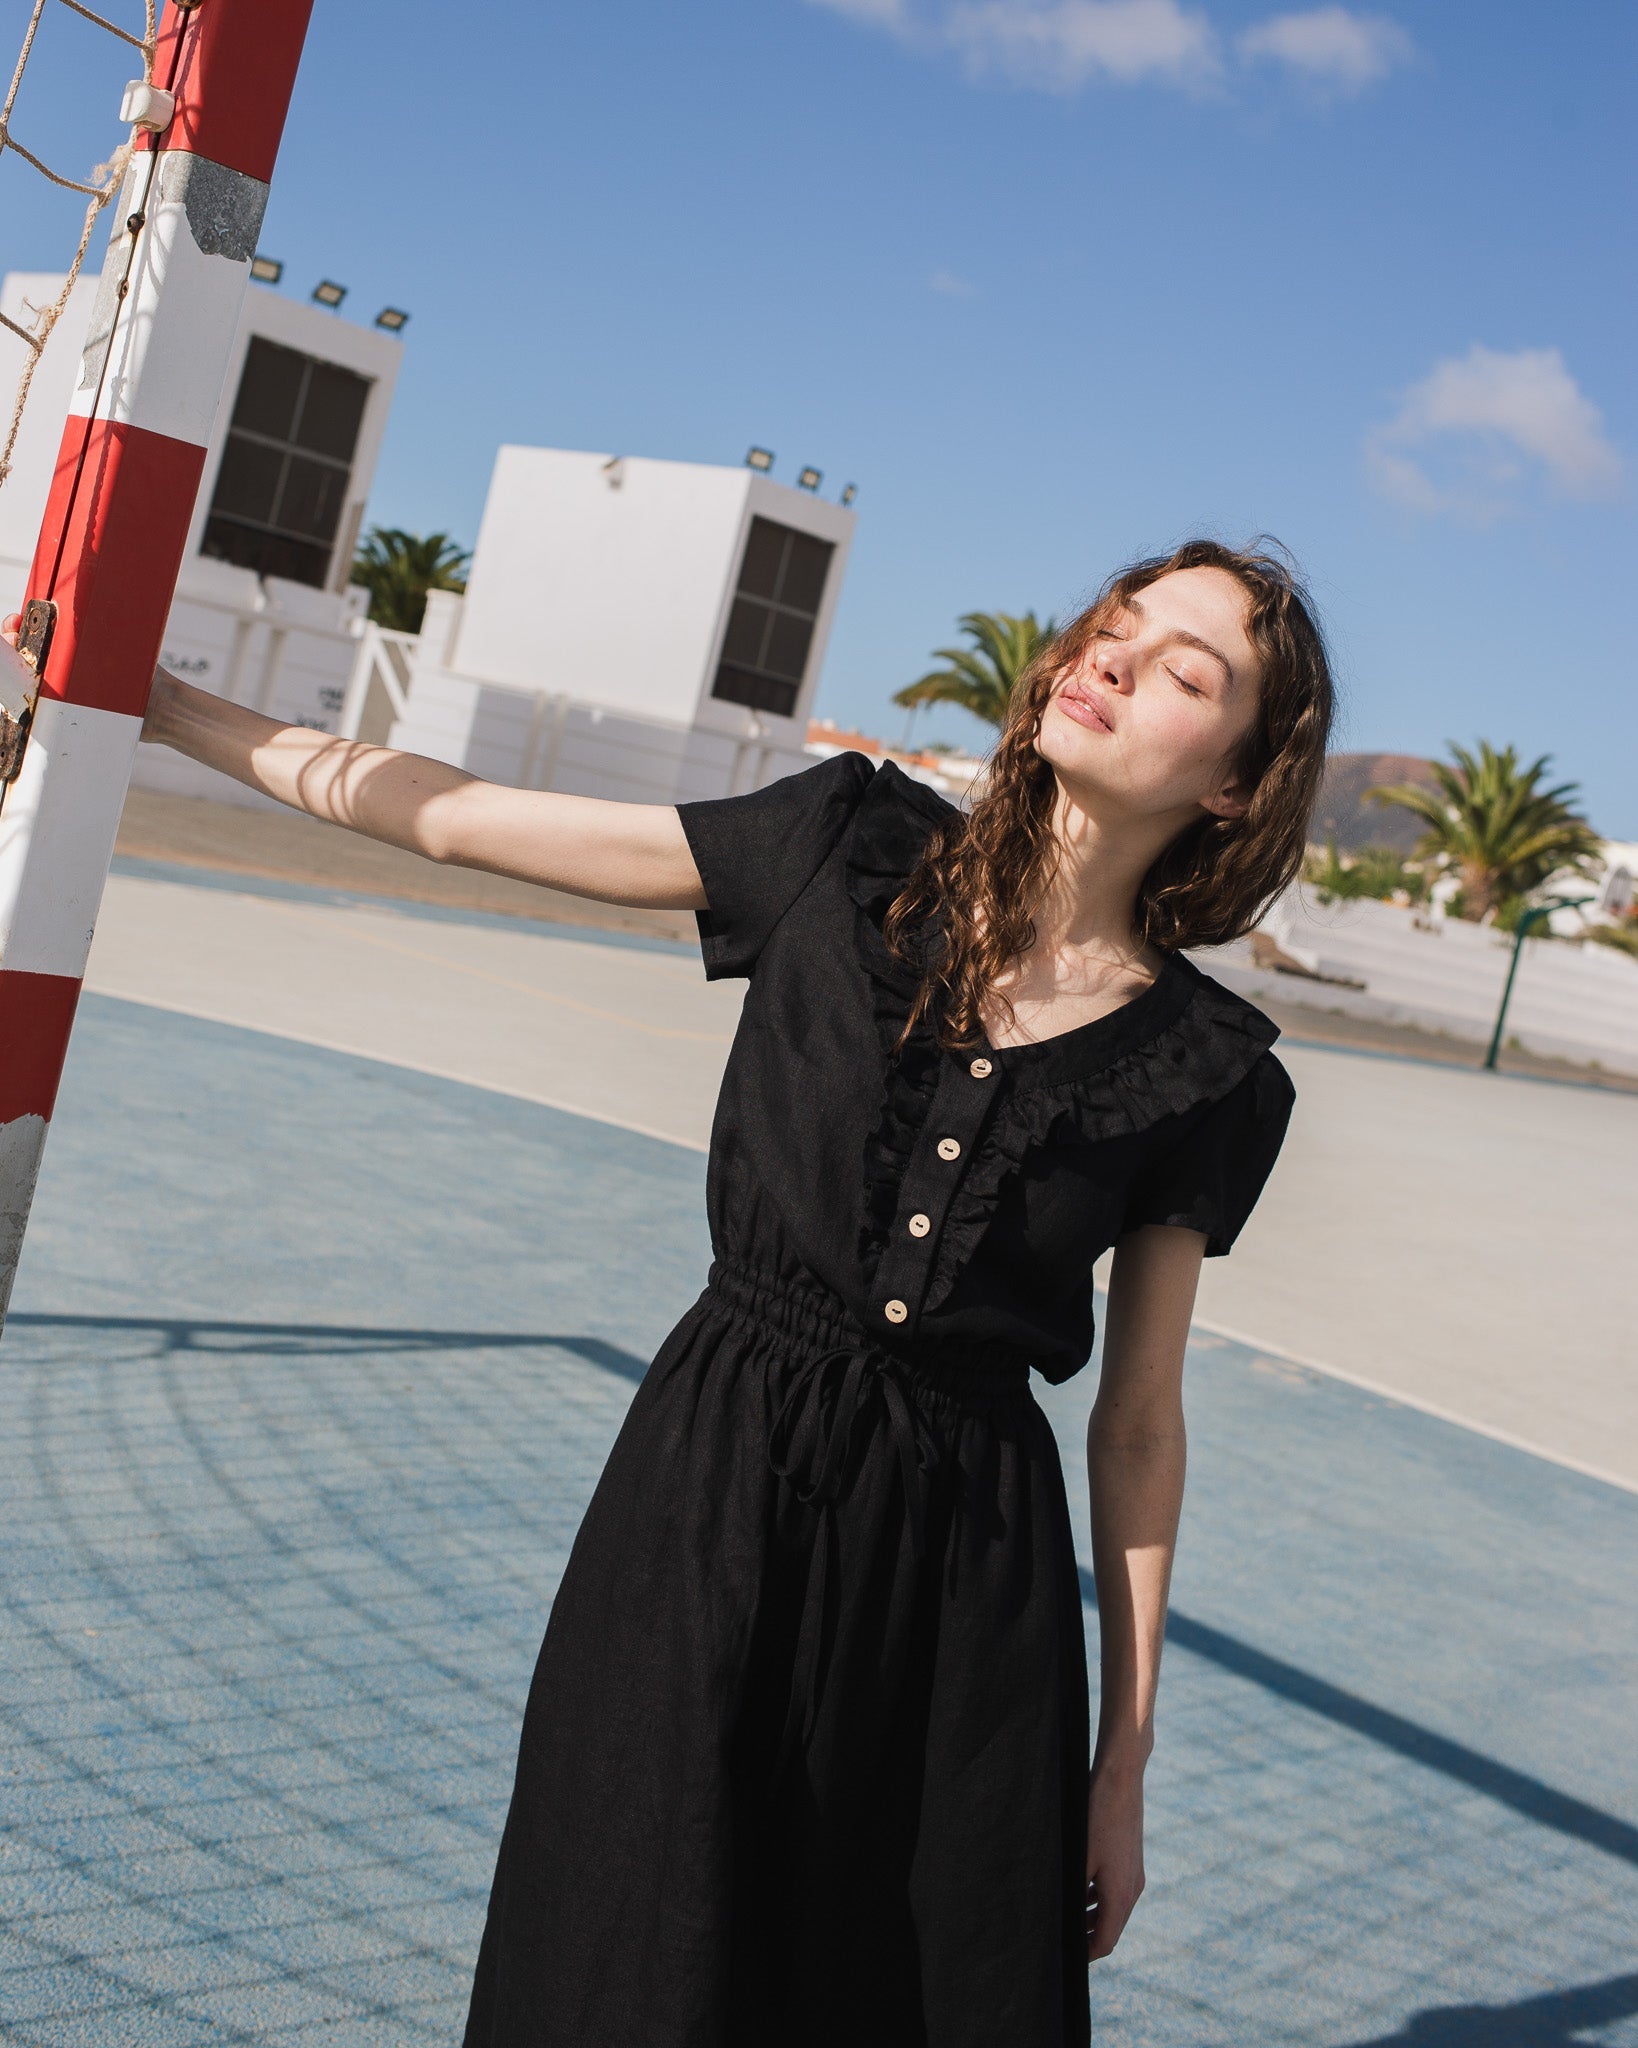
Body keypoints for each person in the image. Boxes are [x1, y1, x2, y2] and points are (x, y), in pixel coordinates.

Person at [55, 535, 1334, 2045]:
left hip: (963, 1574)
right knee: (628, 1941)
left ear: (1238, 784)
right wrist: (163, 703)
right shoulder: (842, 843)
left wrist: (1119, 1769)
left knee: (910, 1989)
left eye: (1186, 669)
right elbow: (459, 820)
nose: (1114, 658)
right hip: (712, 1483)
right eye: (1112, 628)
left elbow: (1137, 1427)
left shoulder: (1205, 1071)